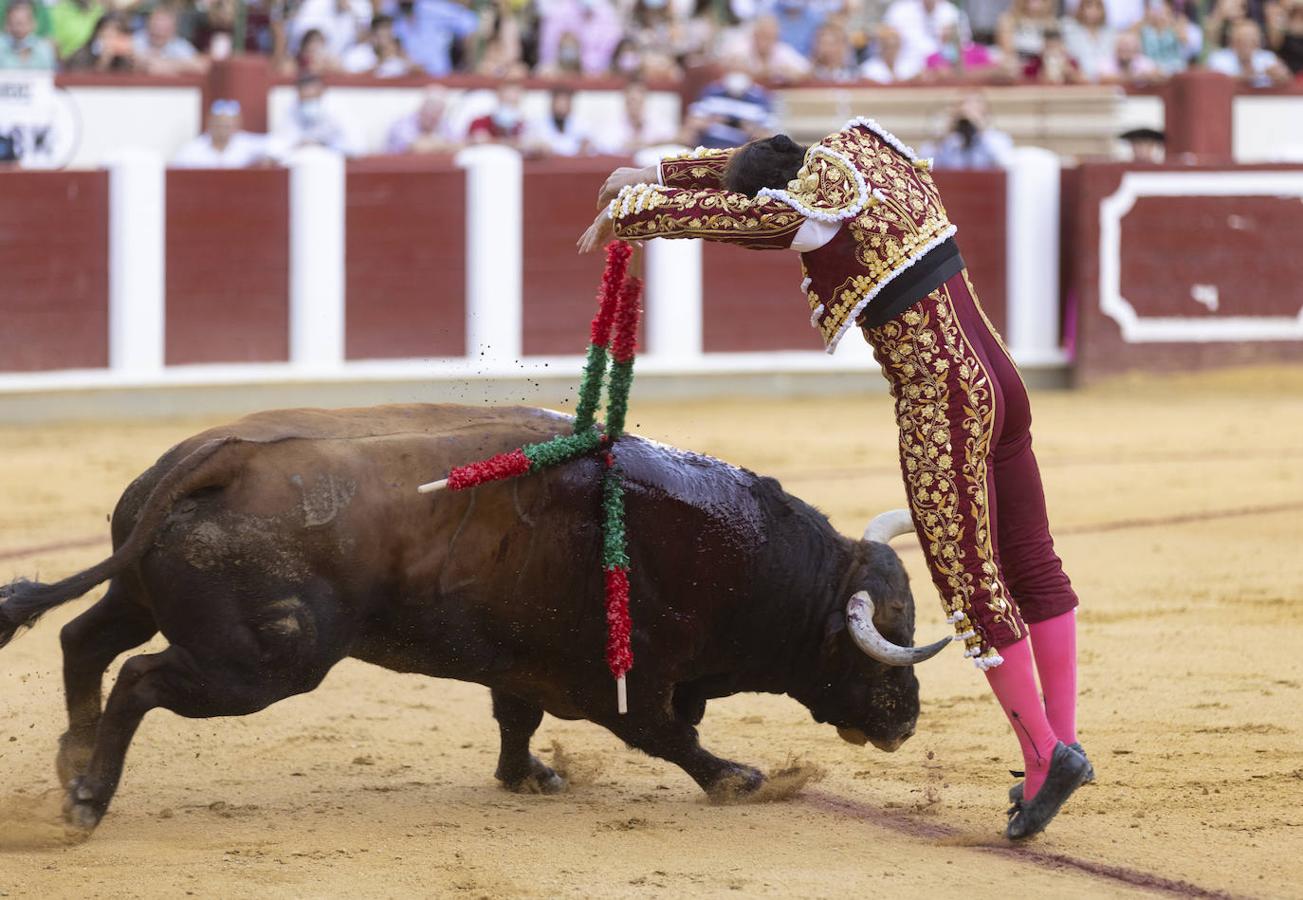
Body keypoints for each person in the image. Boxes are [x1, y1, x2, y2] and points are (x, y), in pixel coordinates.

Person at [579, 117, 1091, 843]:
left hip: (943, 398)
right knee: (1033, 560)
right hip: (1002, 382)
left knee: (972, 585)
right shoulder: (862, 153)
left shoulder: (808, 216)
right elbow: (762, 160)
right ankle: (1062, 741)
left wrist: (637, 211)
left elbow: (743, 216)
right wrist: (658, 171)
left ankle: (1042, 758)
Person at [679, 57, 775, 149]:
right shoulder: (711, 91)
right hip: (708, 148)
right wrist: (710, 122)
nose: (737, 75)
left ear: (750, 73)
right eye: (733, 70)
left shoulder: (761, 97)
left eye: (741, 71)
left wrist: (752, 130)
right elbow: (692, 123)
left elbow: (768, 136)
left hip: (743, 154)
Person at [389, 0, 480, 76]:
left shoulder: (433, 9)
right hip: (401, 80)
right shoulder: (390, 11)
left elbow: (469, 23)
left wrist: (467, 62)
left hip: (437, 77)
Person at [923, 93, 1014, 169]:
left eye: (975, 109)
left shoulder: (997, 139)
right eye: (962, 110)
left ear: (985, 116)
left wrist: (980, 130)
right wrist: (946, 134)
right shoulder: (951, 140)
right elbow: (926, 164)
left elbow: (1004, 163)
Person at [173, 99, 270, 168]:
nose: (222, 129)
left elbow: (278, 148)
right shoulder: (193, 148)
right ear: (209, 123)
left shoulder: (246, 143)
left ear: (237, 125)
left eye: (227, 125)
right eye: (218, 124)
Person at [273, 72, 354, 155]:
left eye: (312, 98)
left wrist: (322, 144)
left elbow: (354, 146)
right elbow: (284, 139)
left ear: (321, 92)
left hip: (331, 157)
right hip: (300, 157)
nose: (308, 101)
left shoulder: (336, 109)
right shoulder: (292, 108)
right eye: (305, 99)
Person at [536, 0, 622, 76]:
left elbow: (614, 46)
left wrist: (593, 69)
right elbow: (548, 49)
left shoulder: (607, 12)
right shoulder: (560, 11)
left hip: (600, 73)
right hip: (562, 71)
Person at [593, 79, 678, 154]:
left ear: (644, 100)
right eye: (630, 102)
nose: (634, 106)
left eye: (638, 102)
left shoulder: (657, 119)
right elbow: (601, 145)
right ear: (625, 100)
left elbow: (673, 139)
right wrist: (627, 145)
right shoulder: (612, 120)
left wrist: (648, 144)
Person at [883, 0, 967, 73]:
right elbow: (887, 44)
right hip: (904, 71)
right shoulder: (899, 10)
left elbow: (962, 48)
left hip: (942, 73)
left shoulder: (951, 12)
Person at [1207, 18, 1291, 85]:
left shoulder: (1267, 57)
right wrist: (1247, 76)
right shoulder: (1219, 58)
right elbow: (1218, 82)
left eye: (1252, 40)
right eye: (1243, 39)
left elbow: (1286, 78)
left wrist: (1279, 75)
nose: (1248, 44)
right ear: (1232, 41)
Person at [133, 6, 207, 75]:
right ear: (148, 26)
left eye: (164, 29)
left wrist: (170, 66)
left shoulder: (178, 44)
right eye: (155, 26)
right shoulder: (139, 39)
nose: (158, 32)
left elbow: (202, 66)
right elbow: (130, 58)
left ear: (173, 31)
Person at [1061, 0, 1117, 81]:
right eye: (1089, 6)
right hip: (1078, 80)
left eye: (1098, 7)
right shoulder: (1069, 29)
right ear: (1081, 8)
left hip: (1106, 80)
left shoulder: (1110, 32)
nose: (1093, 11)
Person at [0, 0, 57, 69]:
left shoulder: (44, 49)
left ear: (33, 24)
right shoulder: (1, 47)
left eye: (21, 24)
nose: (17, 28)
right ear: (6, 24)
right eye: (12, 23)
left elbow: (50, 74)